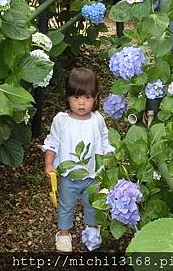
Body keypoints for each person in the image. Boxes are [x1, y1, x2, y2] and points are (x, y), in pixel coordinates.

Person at [42, 68, 115, 252]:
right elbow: (52, 142)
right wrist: (49, 163)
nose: (81, 103)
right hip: (69, 176)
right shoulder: (61, 120)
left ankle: (92, 230)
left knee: (93, 204)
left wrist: (109, 157)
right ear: (67, 97)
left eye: (87, 98)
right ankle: (64, 234)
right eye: (76, 98)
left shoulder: (97, 120)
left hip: (93, 175)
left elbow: (104, 140)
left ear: (96, 98)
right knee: (66, 205)